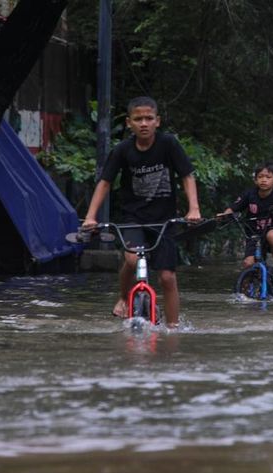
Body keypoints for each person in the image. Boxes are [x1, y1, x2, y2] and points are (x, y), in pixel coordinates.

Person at [81, 96, 201, 328]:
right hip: (132, 218)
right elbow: (105, 182)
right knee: (132, 258)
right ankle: (125, 298)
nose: (144, 123)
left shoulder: (168, 144)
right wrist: (90, 216)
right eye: (138, 119)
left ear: (158, 121)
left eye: (149, 118)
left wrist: (193, 209)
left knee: (167, 277)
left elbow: (187, 175)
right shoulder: (123, 150)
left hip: (163, 220)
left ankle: (173, 329)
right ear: (129, 123)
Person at [218, 162, 273, 282]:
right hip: (253, 233)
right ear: (255, 180)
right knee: (248, 263)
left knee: (272, 236)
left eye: (268, 177)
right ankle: (246, 291)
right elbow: (234, 207)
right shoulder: (249, 194)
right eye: (260, 177)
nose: (264, 180)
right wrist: (224, 215)